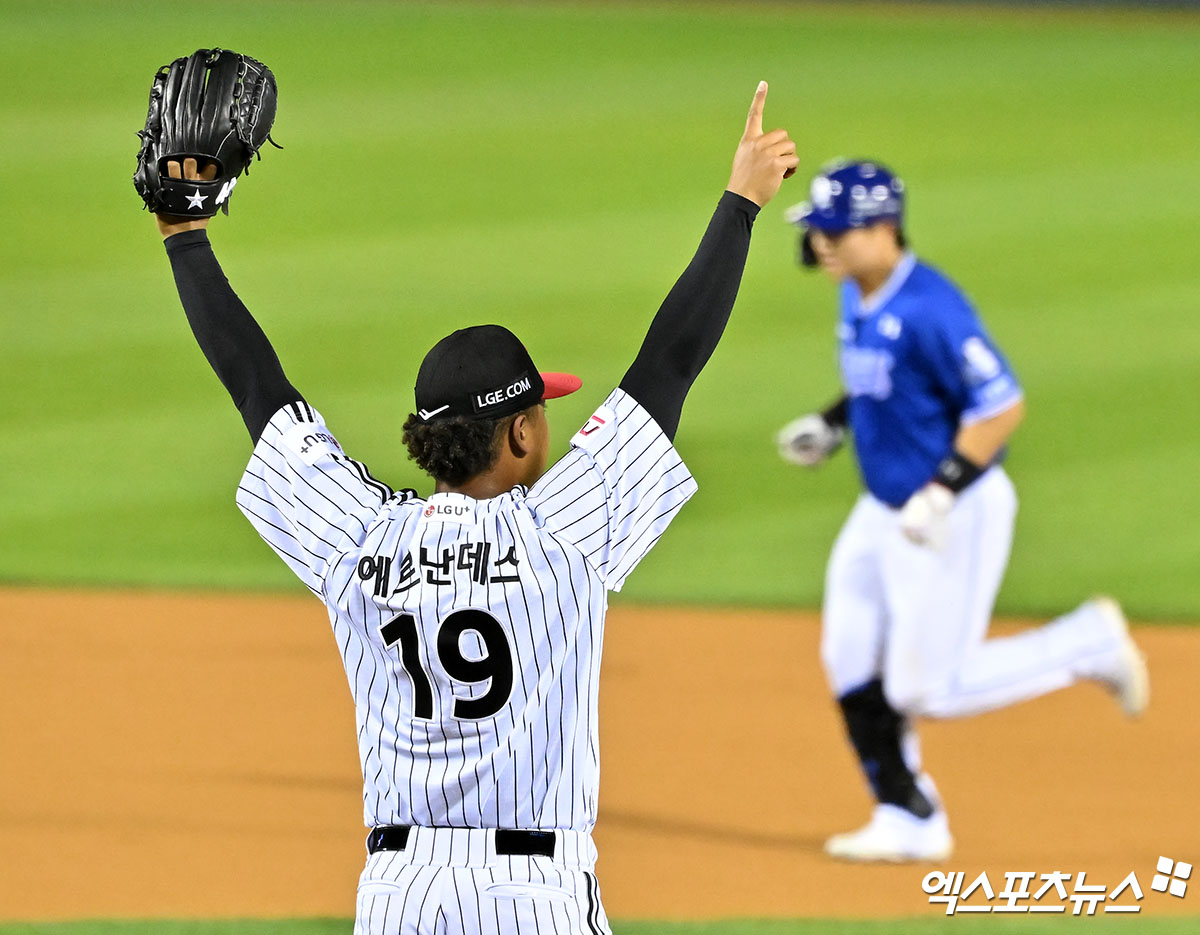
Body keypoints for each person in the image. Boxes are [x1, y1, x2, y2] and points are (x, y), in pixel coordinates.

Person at [153, 84, 797, 932]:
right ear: (521, 431)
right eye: (546, 414)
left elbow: (257, 389)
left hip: (398, 897)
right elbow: (669, 364)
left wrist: (184, 237)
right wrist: (741, 204)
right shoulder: (564, 531)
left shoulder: (361, 536)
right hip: (535, 898)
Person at [776, 159, 1149, 863]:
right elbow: (887, 384)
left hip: (954, 509)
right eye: (817, 230)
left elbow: (1001, 405)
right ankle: (908, 814)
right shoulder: (860, 288)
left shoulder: (932, 309)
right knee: (849, 653)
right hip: (881, 507)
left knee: (925, 687)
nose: (820, 243)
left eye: (834, 230)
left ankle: (1087, 642)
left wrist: (942, 488)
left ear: (883, 229)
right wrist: (833, 422)